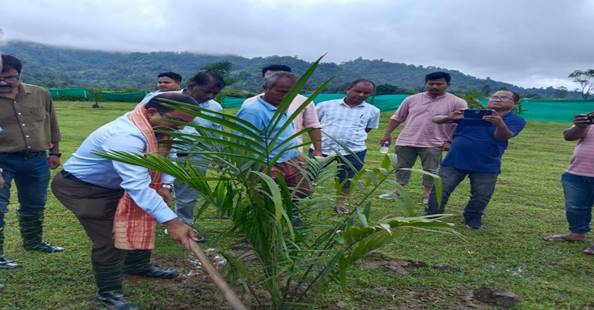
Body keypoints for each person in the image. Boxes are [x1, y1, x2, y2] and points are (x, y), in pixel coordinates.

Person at [51, 93, 199, 309]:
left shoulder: (160, 130)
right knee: (110, 236)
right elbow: (137, 186)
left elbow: (169, 155)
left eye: (186, 123)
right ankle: (108, 292)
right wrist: (173, 222)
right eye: (177, 121)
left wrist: (165, 185)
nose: (180, 128)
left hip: (114, 186)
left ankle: (138, 265)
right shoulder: (125, 136)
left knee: (143, 216)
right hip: (82, 188)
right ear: (151, 112)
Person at [426, 90, 526, 229]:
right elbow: (435, 119)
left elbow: (502, 137)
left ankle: (472, 218)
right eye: (494, 97)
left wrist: (500, 124)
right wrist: (450, 117)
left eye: (504, 97)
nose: (497, 99)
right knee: (441, 189)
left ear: (514, 104)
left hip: (487, 164)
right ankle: (432, 215)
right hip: (455, 160)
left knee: (481, 195)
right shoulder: (471, 114)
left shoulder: (516, 120)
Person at [0, 54, 63, 270]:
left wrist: (55, 152)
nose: (3, 83)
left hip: (36, 159)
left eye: (9, 77)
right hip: (3, 160)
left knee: (35, 202)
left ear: (19, 74)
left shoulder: (40, 93)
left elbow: (52, 122)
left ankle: (33, 242)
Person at [380, 72, 467, 204]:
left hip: (434, 142)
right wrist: (387, 134)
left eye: (439, 84)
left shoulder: (457, 102)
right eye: (431, 83)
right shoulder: (411, 99)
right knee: (401, 167)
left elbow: (461, 123)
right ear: (425, 84)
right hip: (406, 140)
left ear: (448, 85)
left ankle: (427, 194)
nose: (434, 86)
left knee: (431, 170)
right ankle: (397, 191)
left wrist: (450, 141)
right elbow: (397, 117)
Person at [237, 72, 311, 223]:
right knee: (266, 197)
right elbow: (243, 142)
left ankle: (289, 214)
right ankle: (264, 224)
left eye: (291, 93)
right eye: (281, 92)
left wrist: (297, 156)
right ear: (266, 88)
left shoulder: (282, 106)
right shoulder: (253, 111)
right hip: (267, 163)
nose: (286, 96)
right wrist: (251, 168)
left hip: (291, 159)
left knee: (302, 191)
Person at [316, 79, 380, 214]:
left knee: (346, 178)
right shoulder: (325, 105)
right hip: (323, 147)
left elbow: (367, 129)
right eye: (358, 91)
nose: (362, 95)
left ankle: (340, 204)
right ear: (348, 89)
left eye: (366, 93)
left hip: (354, 150)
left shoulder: (373, 111)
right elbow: (314, 125)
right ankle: (307, 200)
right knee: (311, 174)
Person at [172, 72, 225, 229]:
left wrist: (219, 155)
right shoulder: (166, 99)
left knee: (188, 193)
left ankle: (184, 224)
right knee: (156, 187)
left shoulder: (215, 107)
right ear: (191, 86)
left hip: (197, 155)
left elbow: (217, 133)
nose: (210, 96)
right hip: (165, 152)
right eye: (207, 91)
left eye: (215, 93)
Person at [543, 111, 594, 254]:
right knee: (576, 207)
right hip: (577, 172)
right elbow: (568, 136)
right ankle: (577, 233)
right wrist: (580, 126)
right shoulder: (590, 118)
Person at [243, 65, 323, 155]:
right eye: (268, 78)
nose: (285, 96)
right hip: (266, 161)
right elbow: (244, 139)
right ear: (265, 86)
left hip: (293, 157)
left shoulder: (303, 102)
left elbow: (313, 126)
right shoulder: (251, 105)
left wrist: (318, 150)